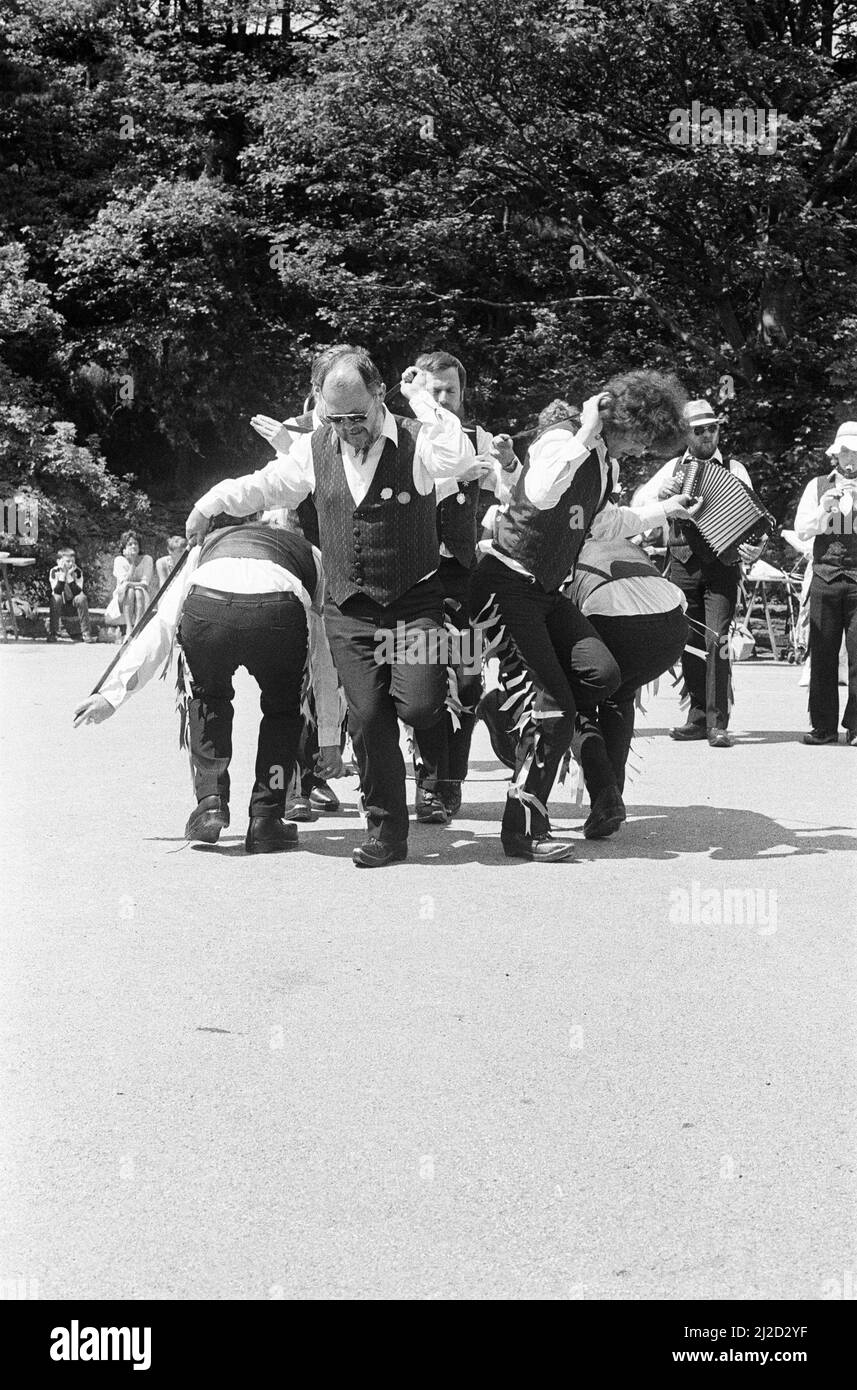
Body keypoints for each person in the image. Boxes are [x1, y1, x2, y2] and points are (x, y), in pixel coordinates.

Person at [185, 347, 478, 868]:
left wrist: (422, 399)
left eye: (357, 417)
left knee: (421, 706)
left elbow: (457, 458)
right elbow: (266, 484)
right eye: (335, 418)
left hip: (416, 603)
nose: (348, 429)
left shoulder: (417, 438)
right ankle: (387, 831)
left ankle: (432, 756)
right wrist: (211, 501)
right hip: (349, 609)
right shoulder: (315, 447)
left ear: (380, 395)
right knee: (367, 719)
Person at [470, 376, 698, 861]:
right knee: (555, 708)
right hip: (506, 584)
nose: (641, 447)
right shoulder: (563, 439)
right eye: (640, 436)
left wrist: (664, 509)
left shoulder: (603, 463)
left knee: (603, 675)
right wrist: (585, 430)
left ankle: (505, 711)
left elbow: (601, 524)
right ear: (624, 419)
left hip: (548, 592)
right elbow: (542, 491)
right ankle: (523, 832)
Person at [73, 516, 343, 853]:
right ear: (292, 532)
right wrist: (329, 738)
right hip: (278, 613)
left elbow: (163, 622)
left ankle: (211, 801)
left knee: (206, 699)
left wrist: (110, 696)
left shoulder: (211, 543)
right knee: (283, 716)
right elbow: (323, 652)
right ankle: (267, 815)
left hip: (209, 607)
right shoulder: (310, 553)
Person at [410, 349, 521, 822]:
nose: (442, 398)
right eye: (433, 390)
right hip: (410, 577)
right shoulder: (403, 436)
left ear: (462, 393)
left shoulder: (479, 439)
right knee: (427, 677)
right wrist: (456, 478)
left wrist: (511, 465)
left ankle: (451, 780)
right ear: (418, 391)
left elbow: (517, 497)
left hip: (463, 576)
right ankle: (430, 786)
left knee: (469, 680)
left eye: (450, 391)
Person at [635, 399, 762, 748]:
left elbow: (754, 521)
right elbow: (639, 506)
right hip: (682, 565)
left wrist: (756, 546)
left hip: (722, 568)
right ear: (685, 434)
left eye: (713, 428)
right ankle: (697, 717)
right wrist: (660, 496)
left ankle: (718, 722)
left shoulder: (735, 468)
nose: (707, 435)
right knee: (688, 642)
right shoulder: (673, 469)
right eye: (699, 429)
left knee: (716, 641)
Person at [793, 420, 857, 745]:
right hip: (824, 578)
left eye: (856, 453)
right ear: (836, 454)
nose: (851, 460)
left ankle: (856, 726)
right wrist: (823, 510)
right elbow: (801, 529)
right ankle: (823, 727)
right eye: (846, 452)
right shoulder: (817, 486)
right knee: (823, 655)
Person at [109, 531, 154, 636]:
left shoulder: (147, 559)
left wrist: (130, 584)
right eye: (130, 544)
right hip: (122, 596)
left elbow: (145, 583)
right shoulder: (119, 560)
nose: (133, 546)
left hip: (142, 594)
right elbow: (123, 584)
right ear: (124, 548)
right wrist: (132, 563)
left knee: (138, 591)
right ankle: (129, 628)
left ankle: (137, 626)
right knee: (130, 591)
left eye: (136, 544)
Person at [47, 548, 95, 642]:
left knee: (82, 598)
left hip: (73, 599)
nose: (70, 564)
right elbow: (57, 591)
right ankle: (53, 632)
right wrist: (62, 575)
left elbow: (77, 592)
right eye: (67, 561)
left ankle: (86, 632)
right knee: (55, 598)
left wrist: (68, 575)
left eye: (72, 561)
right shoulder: (54, 571)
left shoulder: (78, 572)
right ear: (58, 562)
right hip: (60, 600)